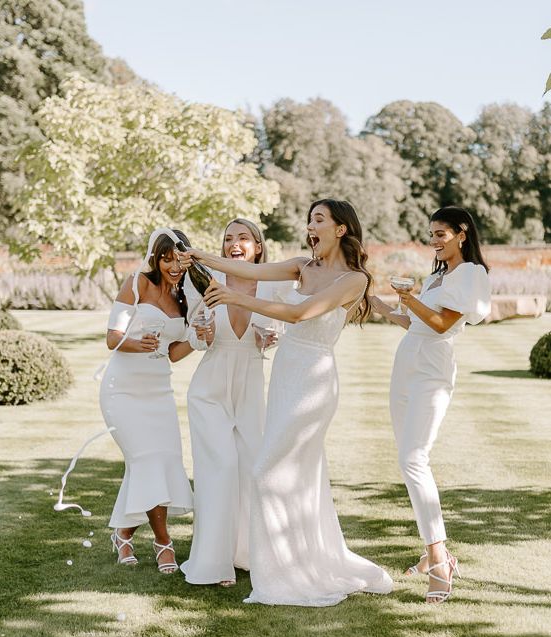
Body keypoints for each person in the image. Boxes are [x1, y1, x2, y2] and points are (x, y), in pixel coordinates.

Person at [179, 199, 393, 606]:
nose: (310, 226)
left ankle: (281, 573)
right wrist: (200, 256)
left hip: (312, 380)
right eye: (309, 219)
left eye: (318, 219)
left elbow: (300, 313)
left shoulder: (354, 280)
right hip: (283, 375)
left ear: (341, 229)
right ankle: (292, 563)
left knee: (264, 473)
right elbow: (248, 270)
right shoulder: (301, 265)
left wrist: (236, 300)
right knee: (293, 479)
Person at [370, 206, 491, 603]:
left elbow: (440, 324)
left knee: (413, 459)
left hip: (433, 369)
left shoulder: (470, 273)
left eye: (441, 233)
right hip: (406, 363)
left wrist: (407, 295)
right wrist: (381, 305)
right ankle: (431, 553)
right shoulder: (438, 275)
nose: (435, 241)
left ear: (461, 234)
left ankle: (439, 559)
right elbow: (416, 323)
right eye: (431, 234)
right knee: (407, 459)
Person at [180, 218, 287, 587]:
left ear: (258, 246)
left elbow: (280, 329)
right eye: (228, 239)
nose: (234, 244)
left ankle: (247, 554)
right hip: (210, 389)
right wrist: (202, 333)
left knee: (250, 470)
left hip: (251, 387)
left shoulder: (273, 285)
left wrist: (269, 339)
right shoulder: (207, 282)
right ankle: (214, 561)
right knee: (220, 469)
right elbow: (196, 336)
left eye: (243, 237)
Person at [101, 230, 196, 574]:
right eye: (166, 258)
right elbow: (112, 338)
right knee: (146, 460)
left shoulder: (186, 297)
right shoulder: (136, 283)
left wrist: (198, 340)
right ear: (155, 259)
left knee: (163, 460)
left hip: (159, 392)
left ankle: (123, 533)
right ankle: (163, 543)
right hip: (123, 390)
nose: (172, 266)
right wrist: (136, 343)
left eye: (178, 259)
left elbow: (173, 353)